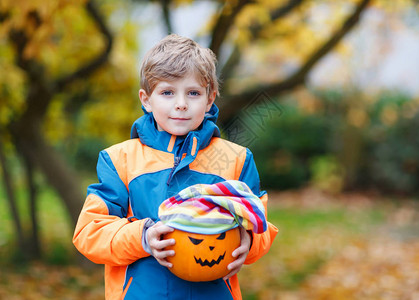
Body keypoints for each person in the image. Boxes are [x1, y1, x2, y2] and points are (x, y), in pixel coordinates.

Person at [73, 34, 278, 300]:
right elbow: (90, 232)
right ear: (146, 99)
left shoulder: (236, 159)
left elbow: (259, 222)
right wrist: (143, 237)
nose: (181, 103)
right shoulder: (119, 160)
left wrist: (248, 242)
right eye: (167, 92)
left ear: (209, 100)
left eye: (193, 93)